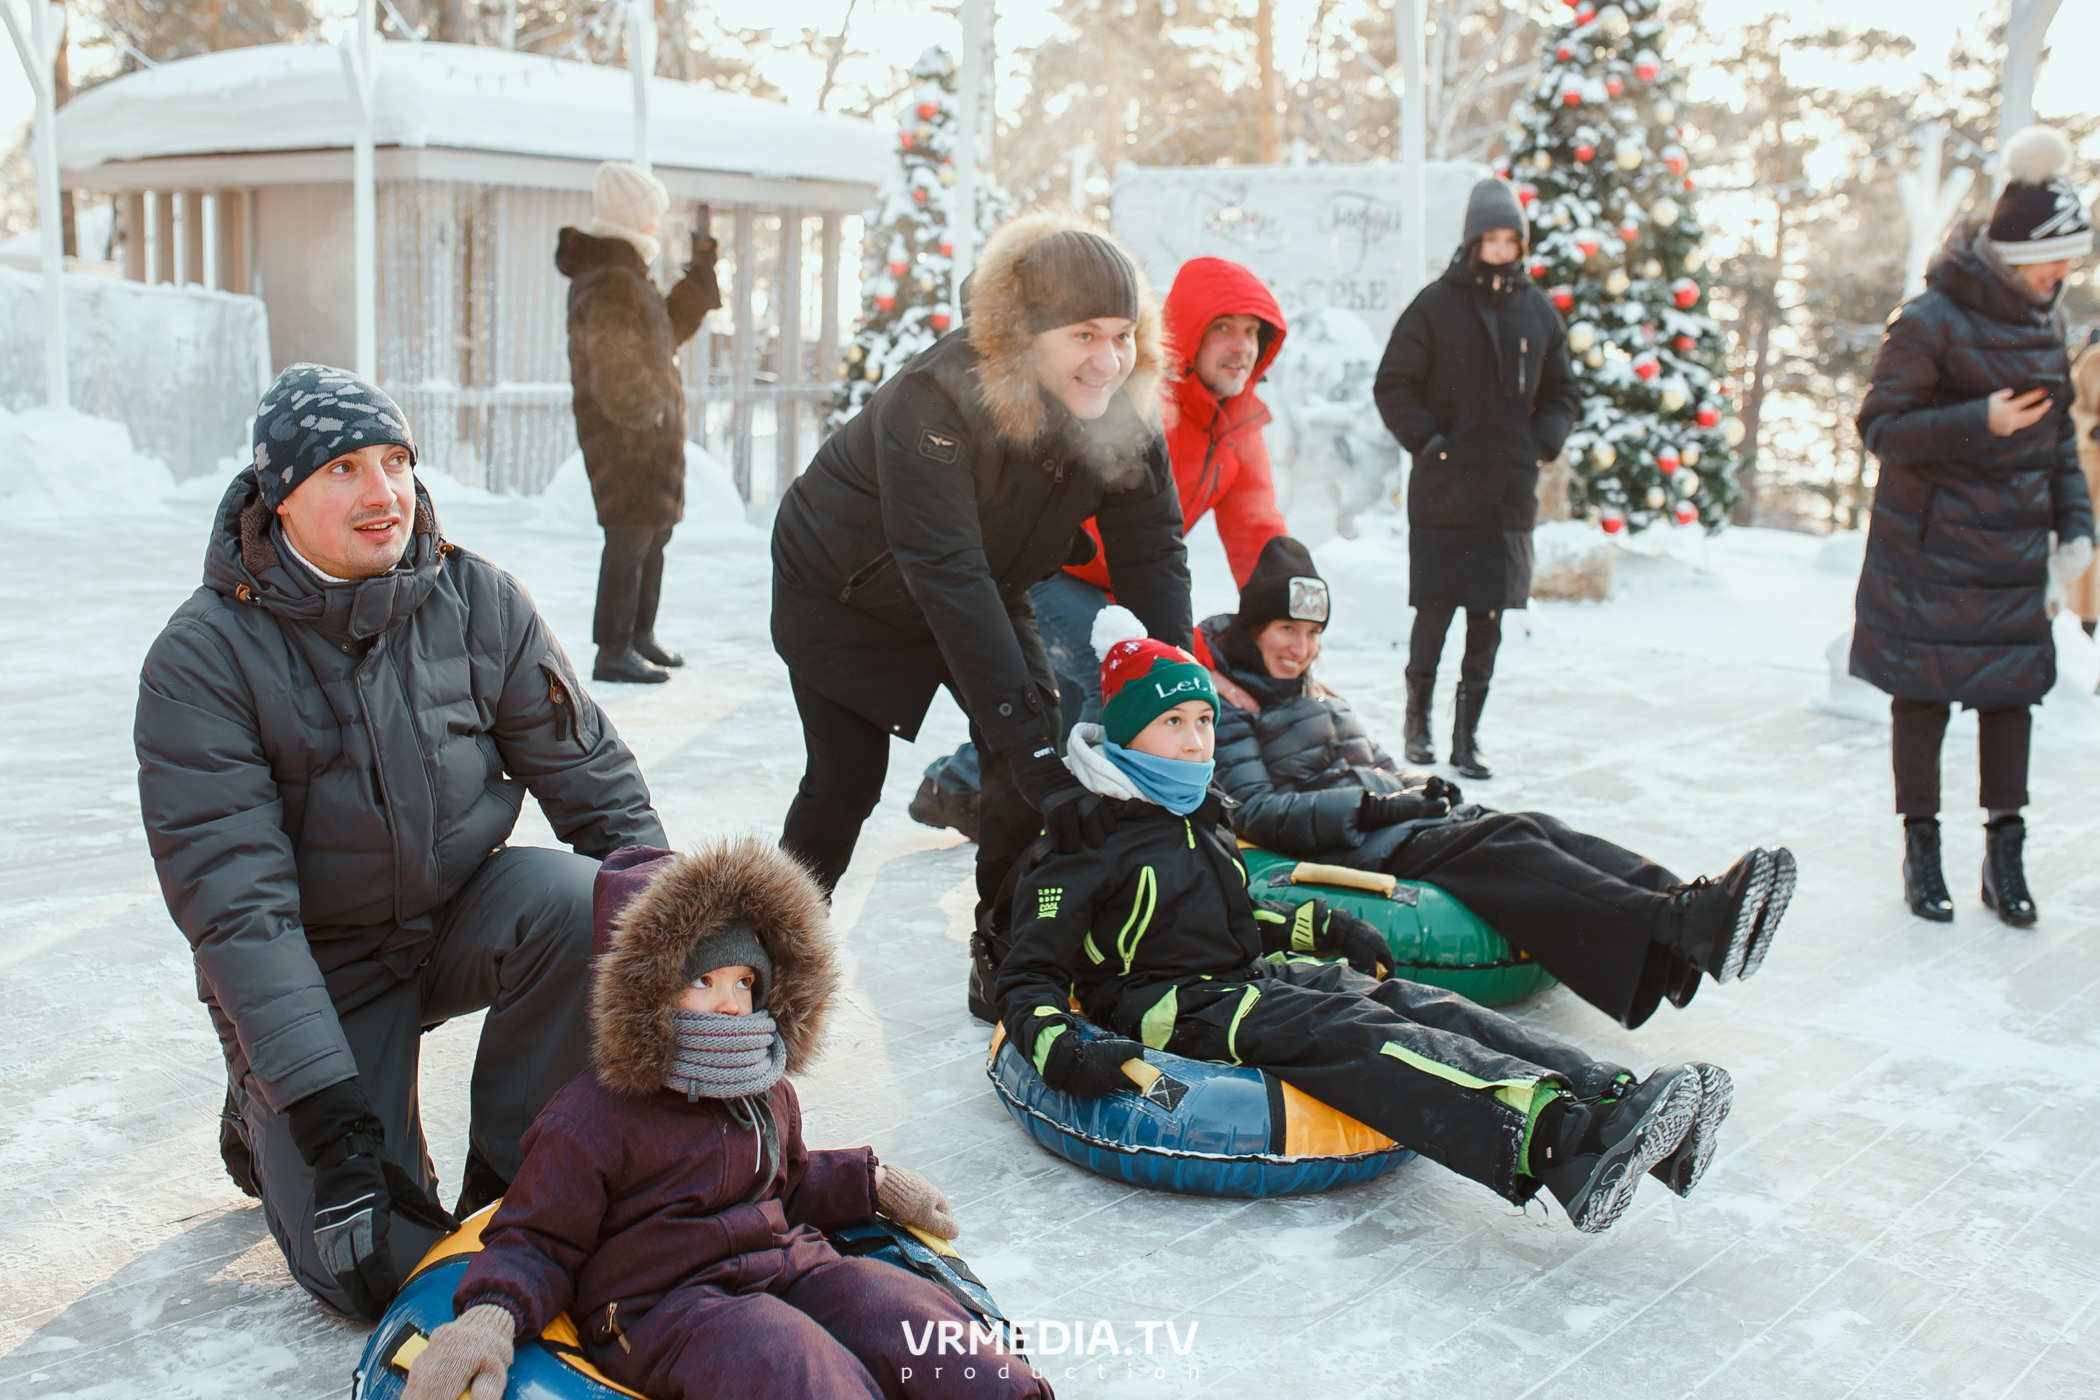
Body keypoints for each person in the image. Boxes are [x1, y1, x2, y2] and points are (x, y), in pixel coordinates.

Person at [135, 365, 666, 1321]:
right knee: (380, 1268)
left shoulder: (478, 600)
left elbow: (598, 787)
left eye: (395, 461)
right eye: (342, 468)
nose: (383, 492)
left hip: (454, 915)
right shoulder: (202, 660)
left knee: (592, 901)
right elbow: (240, 908)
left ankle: (518, 1181)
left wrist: (696, 959)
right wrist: (320, 1111)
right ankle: (267, 1102)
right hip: (319, 962)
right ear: (279, 496)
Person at [994, 616, 1735, 1234]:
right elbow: (1026, 975)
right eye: (1171, 724)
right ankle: (1563, 1145)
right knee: (1360, 1034)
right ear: (1126, 736)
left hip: (1243, 978)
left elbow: (1221, 915)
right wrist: (1064, 1051)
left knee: (1423, 1004)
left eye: (1204, 721)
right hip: (1179, 1007)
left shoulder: (1200, 813)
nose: (1195, 742)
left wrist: (1325, 927)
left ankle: (1612, 1102)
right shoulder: (1086, 844)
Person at [399, 840, 1048, 1400]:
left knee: (903, 1316)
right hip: (661, 1304)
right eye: (704, 981)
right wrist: (488, 1319)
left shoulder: (763, 1088)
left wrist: (869, 1182)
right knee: (792, 1360)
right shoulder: (592, 1115)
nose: (732, 1003)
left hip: (782, 1264)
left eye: (743, 982)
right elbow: (537, 1237)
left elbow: (787, 1184)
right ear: (649, 991)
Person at [770, 213, 1193, 1017]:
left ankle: (1007, 949)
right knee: (844, 783)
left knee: (1027, 759)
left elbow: (1152, 552)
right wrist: (1031, 749)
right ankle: (766, 954)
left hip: (985, 578)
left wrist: (1178, 703)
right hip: (845, 591)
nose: (1107, 361)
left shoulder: (1120, 408)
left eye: (1121, 336)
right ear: (1025, 333)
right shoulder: (933, 400)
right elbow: (945, 573)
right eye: (1083, 335)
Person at [1200, 536, 1794, 1029]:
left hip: (1391, 820)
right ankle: (1678, 925)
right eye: (1286, 629)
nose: (1301, 648)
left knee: (1536, 826)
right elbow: (1254, 808)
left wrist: (1422, 786)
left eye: (1312, 633)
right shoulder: (1230, 706)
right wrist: (1374, 808)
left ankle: (1684, 914)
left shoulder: (1318, 690)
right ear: (1255, 628)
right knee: (1504, 846)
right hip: (1349, 842)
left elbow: (1378, 760)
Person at [908, 255, 1291, 839]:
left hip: (1119, 581)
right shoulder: (1145, 403)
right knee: (1114, 675)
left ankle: (958, 787)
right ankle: (1109, 831)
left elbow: (1256, 530)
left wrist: (1285, 621)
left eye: (1253, 332)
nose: (1241, 346)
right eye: (1223, 328)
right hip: (1050, 566)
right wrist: (1192, 659)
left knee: (1068, 692)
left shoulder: (1238, 423)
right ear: (1189, 331)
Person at [1851, 125, 2094, 927]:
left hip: (2013, 551)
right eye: (2054, 260)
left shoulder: (2048, 324)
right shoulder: (1931, 319)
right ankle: (1921, 850)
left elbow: (2059, 443)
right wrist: (1977, 421)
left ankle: (2004, 854)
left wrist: (2077, 527)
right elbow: (1881, 426)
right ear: (2016, 255)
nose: (2065, 275)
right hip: (1930, 549)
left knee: (2010, 697)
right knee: (1922, 699)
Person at [1374, 176, 1580, 779]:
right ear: (1472, 241)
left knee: (1488, 620)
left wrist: (1541, 442)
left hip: (1507, 494)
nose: (1499, 249)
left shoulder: (1537, 310)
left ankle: (1468, 738)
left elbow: (1563, 391)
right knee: (1434, 612)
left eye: (1509, 240)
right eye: (1490, 238)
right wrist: (1430, 444)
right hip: (1445, 489)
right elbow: (1394, 383)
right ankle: (1418, 725)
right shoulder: (1435, 305)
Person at [558, 160, 723, 685]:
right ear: (634, 216)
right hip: (625, 438)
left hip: (644, 435)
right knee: (629, 537)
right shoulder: (611, 277)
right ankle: (613, 649)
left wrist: (700, 274)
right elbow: (614, 364)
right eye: (652, 212)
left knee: (653, 533)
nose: (658, 221)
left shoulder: (627, 272)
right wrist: (646, 414)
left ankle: (638, 635)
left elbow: (664, 332)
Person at [2065, 329, 2100, 637]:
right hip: (2094, 474)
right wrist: (2093, 429)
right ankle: (2087, 631)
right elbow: (2073, 412)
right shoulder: (2093, 361)